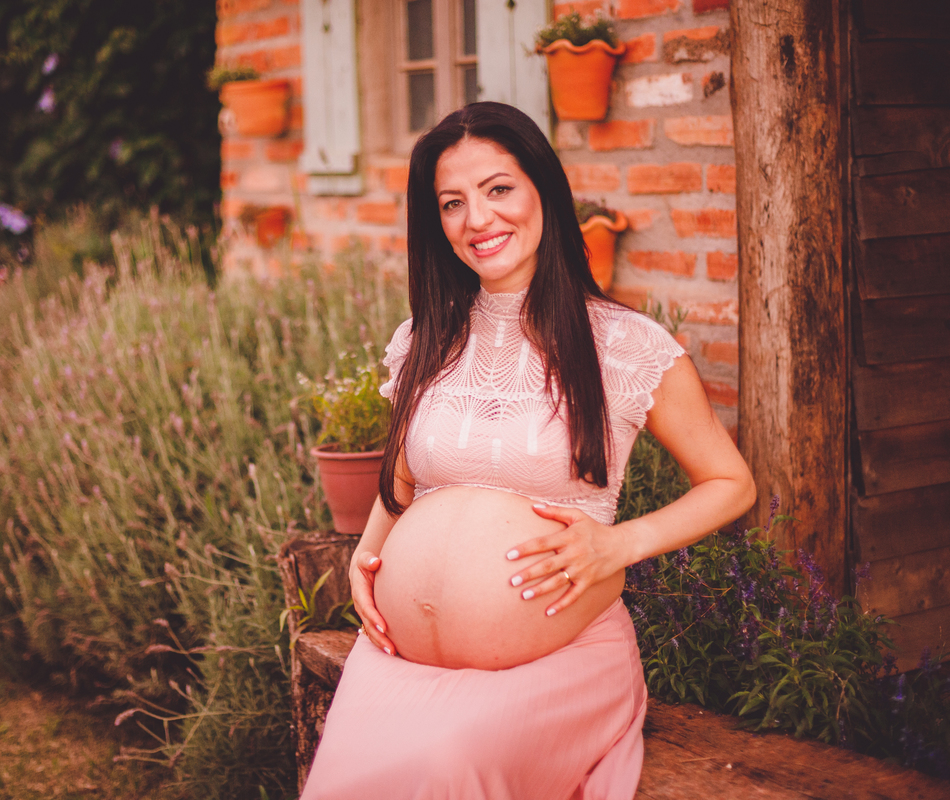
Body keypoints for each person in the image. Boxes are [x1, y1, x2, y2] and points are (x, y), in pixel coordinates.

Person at [300, 102, 755, 800]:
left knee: (445, 765)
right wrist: (368, 556)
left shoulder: (626, 346)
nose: (477, 219)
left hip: (559, 660)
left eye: (498, 189)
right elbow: (401, 483)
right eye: (452, 203)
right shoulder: (422, 340)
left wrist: (620, 544)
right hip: (399, 663)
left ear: (544, 188)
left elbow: (730, 482)